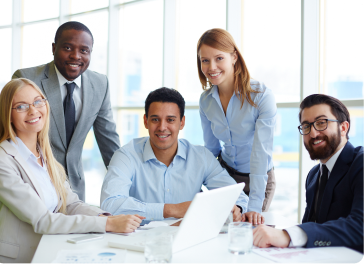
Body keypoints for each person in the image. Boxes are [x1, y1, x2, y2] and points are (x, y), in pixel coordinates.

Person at [0, 79, 143, 264]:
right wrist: (108, 225)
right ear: (8, 114)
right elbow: (43, 220)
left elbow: (70, 204)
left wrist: (106, 217)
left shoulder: (44, 154)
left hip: (50, 249)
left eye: (38, 101)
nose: (33, 110)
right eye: (21, 106)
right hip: (18, 258)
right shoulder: (0, 161)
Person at [0, 21, 120, 201]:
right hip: (30, 183)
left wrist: (125, 186)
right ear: (54, 48)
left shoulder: (100, 84)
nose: (76, 56)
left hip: (74, 189)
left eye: (84, 50)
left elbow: (109, 142)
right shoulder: (27, 78)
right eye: (67, 48)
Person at [101, 87, 264, 224]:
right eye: (155, 119)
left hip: (189, 241)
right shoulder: (126, 156)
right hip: (139, 241)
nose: (162, 127)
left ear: (182, 122)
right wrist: (173, 209)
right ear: (145, 121)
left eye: (170, 120)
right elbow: (110, 204)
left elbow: (237, 196)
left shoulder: (201, 157)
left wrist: (237, 209)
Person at [252, 94, 364, 253]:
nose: (313, 133)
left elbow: (360, 227)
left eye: (321, 123)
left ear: (343, 128)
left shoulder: (360, 163)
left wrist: (287, 236)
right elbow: (313, 229)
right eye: (306, 126)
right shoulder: (313, 176)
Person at [197, 28, 277, 213]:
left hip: (258, 178)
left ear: (234, 57)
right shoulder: (205, 101)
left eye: (219, 58)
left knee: (250, 231)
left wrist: (254, 207)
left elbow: (260, 155)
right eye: (205, 60)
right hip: (226, 177)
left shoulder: (261, 97)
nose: (212, 67)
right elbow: (211, 150)